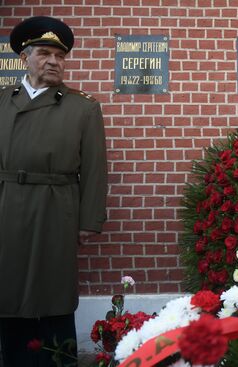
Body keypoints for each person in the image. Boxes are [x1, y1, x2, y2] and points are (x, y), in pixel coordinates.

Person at [0, 16, 107, 366]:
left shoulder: (82, 107)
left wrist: (89, 220)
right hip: (6, 206)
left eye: (59, 57)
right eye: (44, 53)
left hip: (55, 208)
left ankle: (58, 359)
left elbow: (94, 168)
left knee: (54, 292)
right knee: (8, 288)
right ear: (23, 58)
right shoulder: (3, 102)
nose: (53, 62)